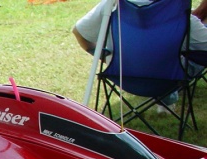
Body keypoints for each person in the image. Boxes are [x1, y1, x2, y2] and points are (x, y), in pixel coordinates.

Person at [72, 0, 207, 109]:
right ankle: (166, 96)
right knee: (185, 52)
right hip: (168, 81)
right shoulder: (182, 18)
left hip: (122, 77)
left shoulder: (112, 5)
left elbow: (79, 33)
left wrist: (107, 58)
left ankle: (166, 97)